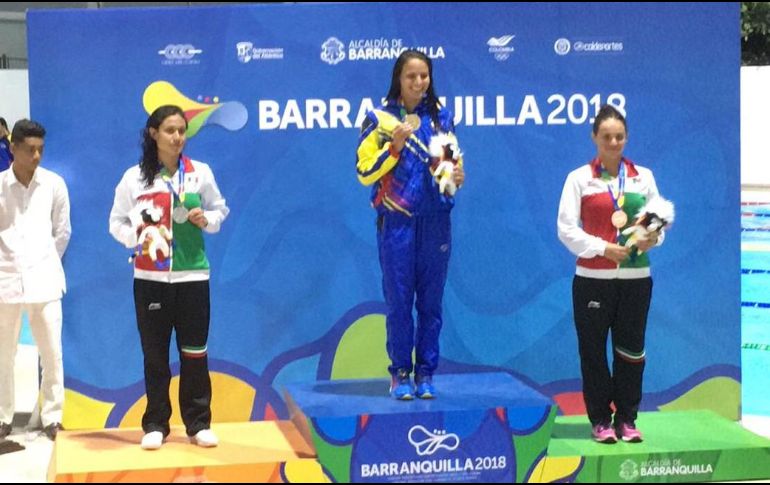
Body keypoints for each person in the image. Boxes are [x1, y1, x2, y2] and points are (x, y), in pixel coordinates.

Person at [109, 105, 229, 450]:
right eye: (170, 130)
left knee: (195, 353)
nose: (178, 137)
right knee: (155, 355)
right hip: (150, 279)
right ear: (153, 134)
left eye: (182, 131)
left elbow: (220, 209)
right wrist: (138, 237)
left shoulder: (199, 172)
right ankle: (156, 423)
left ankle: (198, 423)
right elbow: (116, 222)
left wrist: (206, 219)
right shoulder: (135, 178)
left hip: (193, 276)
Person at [356, 50, 465, 401]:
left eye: (424, 76)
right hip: (398, 223)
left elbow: (450, 164)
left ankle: (426, 374)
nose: (419, 82)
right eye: (411, 77)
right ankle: (400, 373)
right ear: (398, 80)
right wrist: (394, 149)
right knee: (400, 302)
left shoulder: (441, 118)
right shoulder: (380, 118)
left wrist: (457, 175)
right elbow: (363, 173)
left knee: (431, 304)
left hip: (436, 222)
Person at [557, 105, 666, 444]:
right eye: (606, 137)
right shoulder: (580, 178)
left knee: (632, 351)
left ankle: (628, 419)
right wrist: (604, 249)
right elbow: (565, 229)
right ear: (594, 138)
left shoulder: (642, 176)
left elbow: (657, 222)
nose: (614, 142)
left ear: (627, 137)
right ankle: (601, 419)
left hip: (636, 280)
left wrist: (653, 237)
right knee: (593, 352)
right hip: (593, 280)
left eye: (619, 136)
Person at [0, 119, 71, 441]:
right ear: (12, 148)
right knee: (4, 354)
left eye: (41, 149)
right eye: (30, 150)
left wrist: (43, 259)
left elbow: (62, 232)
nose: (37, 156)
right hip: (5, 279)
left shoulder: (54, 184)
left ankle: (52, 416)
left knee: (52, 352)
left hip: (45, 277)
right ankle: (3, 418)